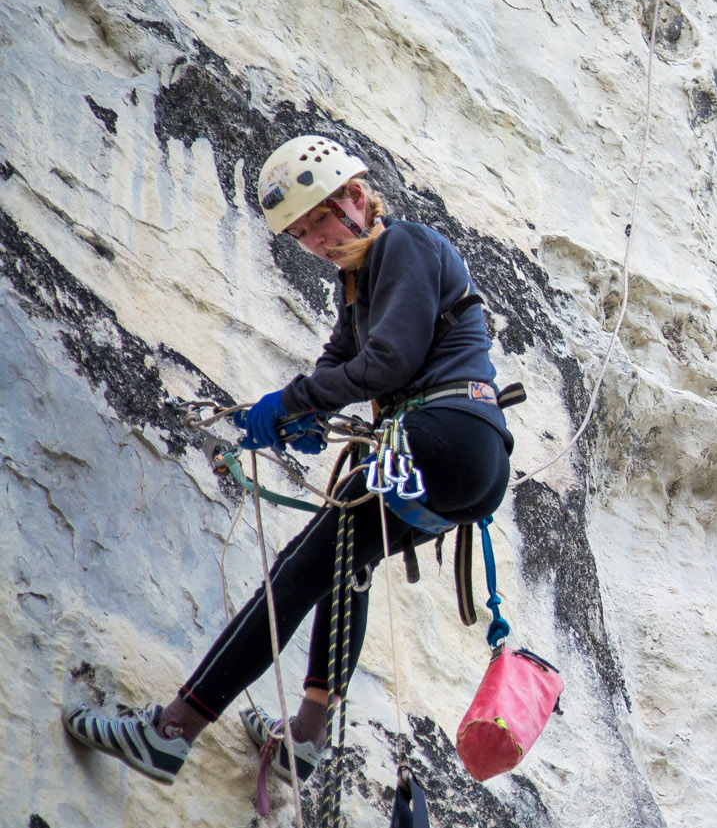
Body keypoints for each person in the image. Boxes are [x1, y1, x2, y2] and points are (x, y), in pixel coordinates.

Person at [64, 136, 514, 785]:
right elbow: (341, 361)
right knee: (342, 562)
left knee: (295, 572)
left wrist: (293, 402)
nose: (315, 242)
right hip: (464, 465)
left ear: (357, 197)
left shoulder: (403, 246)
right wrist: (291, 417)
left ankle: (171, 732)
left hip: (444, 435)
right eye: (301, 234)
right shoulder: (359, 284)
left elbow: (387, 362)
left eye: (320, 222)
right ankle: (305, 736)